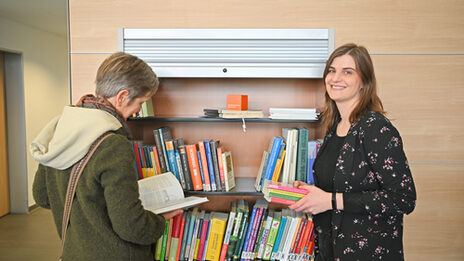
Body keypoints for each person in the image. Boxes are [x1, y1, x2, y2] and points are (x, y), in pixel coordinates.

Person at [30, 52, 182, 260]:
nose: (138, 111)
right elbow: (131, 226)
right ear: (122, 96)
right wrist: (159, 221)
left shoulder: (61, 130)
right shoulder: (112, 144)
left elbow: (42, 196)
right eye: (141, 102)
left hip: (74, 252)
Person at [289, 43, 416, 260]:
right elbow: (341, 184)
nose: (335, 78)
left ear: (364, 83)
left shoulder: (376, 127)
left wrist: (328, 200)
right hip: (330, 249)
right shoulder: (335, 127)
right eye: (332, 70)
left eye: (347, 72)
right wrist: (312, 194)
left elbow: (403, 198)